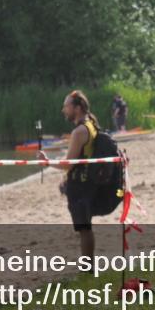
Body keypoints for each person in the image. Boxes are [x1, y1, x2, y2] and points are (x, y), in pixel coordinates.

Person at [39, 90, 107, 260]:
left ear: (77, 108)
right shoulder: (91, 123)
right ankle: (88, 266)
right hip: (87, 183)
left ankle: (88, 268)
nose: (63, 110)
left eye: (66, 106)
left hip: (81, 186)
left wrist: (47, 162)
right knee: (85, 227)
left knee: (84, 229)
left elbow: (69, 164)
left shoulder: (79, 132)